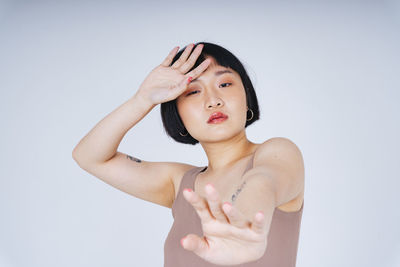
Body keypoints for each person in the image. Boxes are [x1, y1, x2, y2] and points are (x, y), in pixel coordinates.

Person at [72, 42, 305, 266]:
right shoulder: (179, 183)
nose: (213, 101)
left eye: (224, 84)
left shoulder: (277, 152)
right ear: (178, 114)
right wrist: (141, 100)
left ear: (246, 98)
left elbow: (263, 181)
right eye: (193, 91)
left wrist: (244, 219)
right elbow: (89, 156)